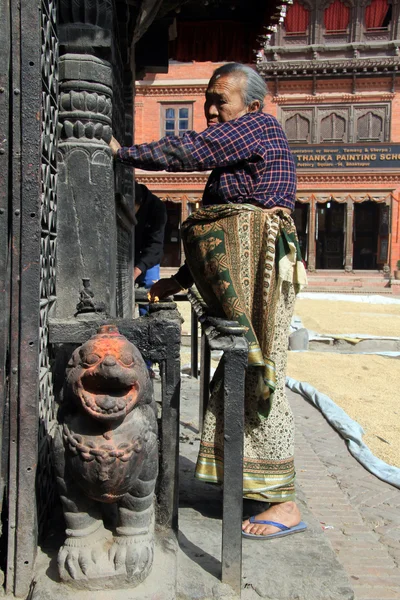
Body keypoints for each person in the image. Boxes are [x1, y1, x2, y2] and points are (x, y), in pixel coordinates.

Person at [110, 63, 308, 540]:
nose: (211, 110)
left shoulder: (258, 127)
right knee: (241, 370)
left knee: (264, 372)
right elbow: (222, 238)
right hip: (245, 272)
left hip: (262, 273)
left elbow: (192, 149)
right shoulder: (235, 156)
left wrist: (125, 153)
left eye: (222, 100)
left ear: (253, 107)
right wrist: (178, 281)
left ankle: (284, 501)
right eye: (207, 101)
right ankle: (249, 479)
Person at [133, 181, 167, 294]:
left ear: (139, 202)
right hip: (128, 254)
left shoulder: (157, 208)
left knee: (150, 289)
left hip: (149, 255)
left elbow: (155, 245)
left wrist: (137, 270)